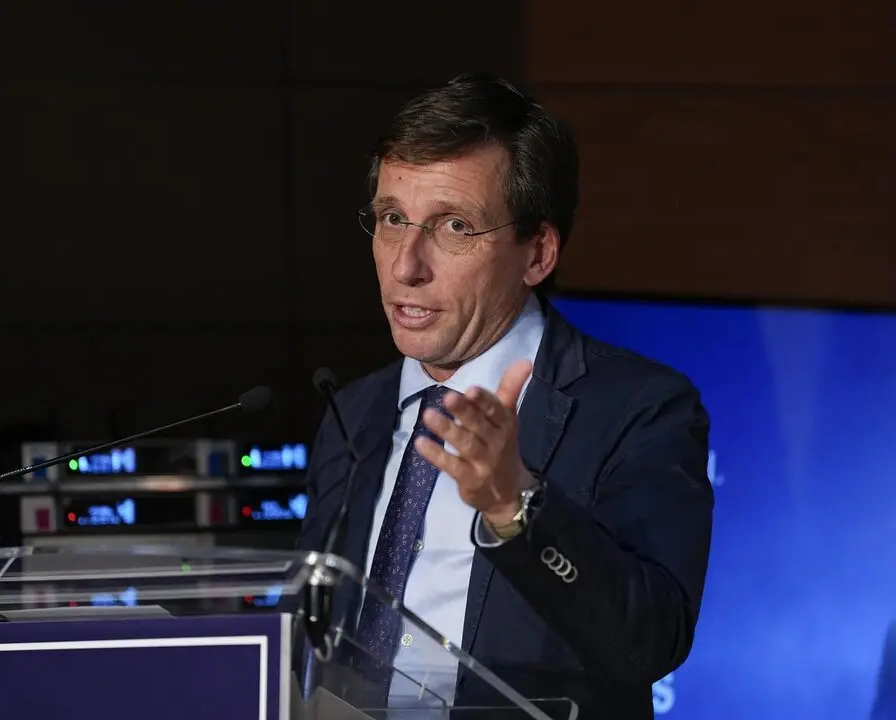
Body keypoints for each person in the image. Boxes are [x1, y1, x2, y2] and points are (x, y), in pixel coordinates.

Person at [295, 72, 714, 719]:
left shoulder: (640, 409)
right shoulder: (354, 411)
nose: (405, 265)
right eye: (393, 219)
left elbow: (649, 641)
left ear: (537, 253)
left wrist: (514, 506)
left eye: (454, 226)